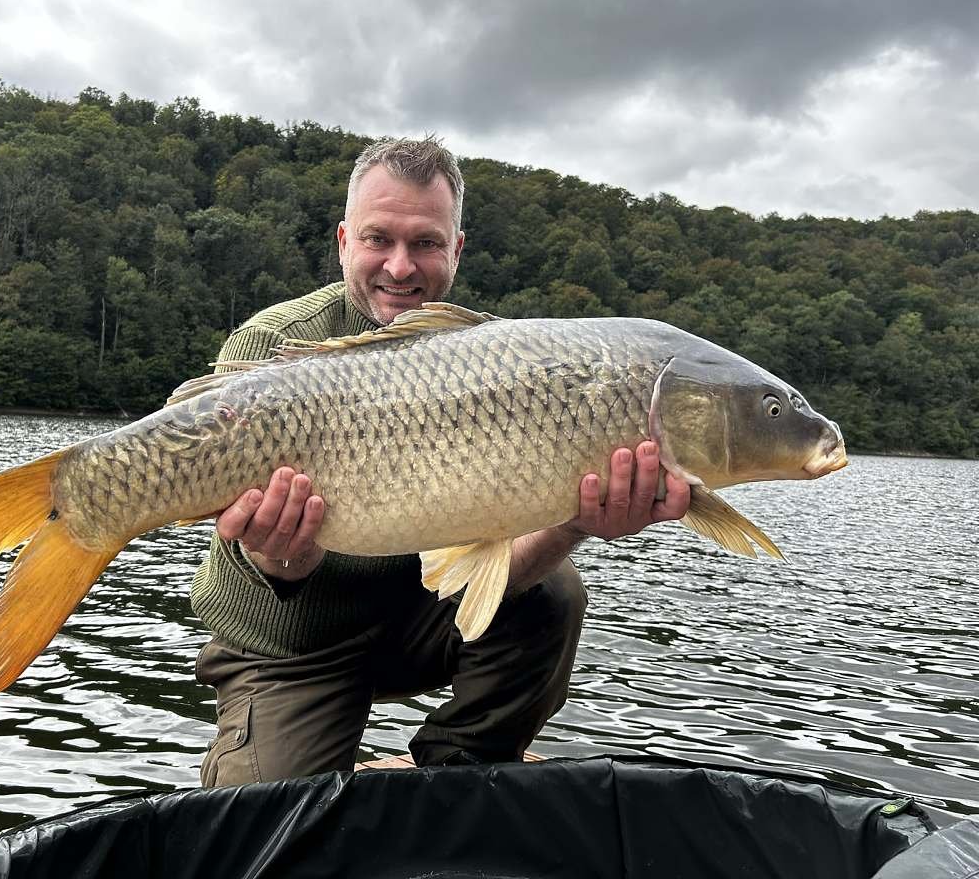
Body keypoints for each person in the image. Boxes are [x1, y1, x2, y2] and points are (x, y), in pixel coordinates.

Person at [189, 136, 690, 787]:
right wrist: (282, 551)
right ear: (344, 241)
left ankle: (461, 778)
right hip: (290, 645)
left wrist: (573, 523)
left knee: (554, 592)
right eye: (378, 240)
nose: (400, 268)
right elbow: (266, 560)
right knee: (261, 828)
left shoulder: (501, 363)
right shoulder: (273, 346)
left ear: (455, 250)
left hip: (415, 621)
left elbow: (489, 573)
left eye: (425, 243)